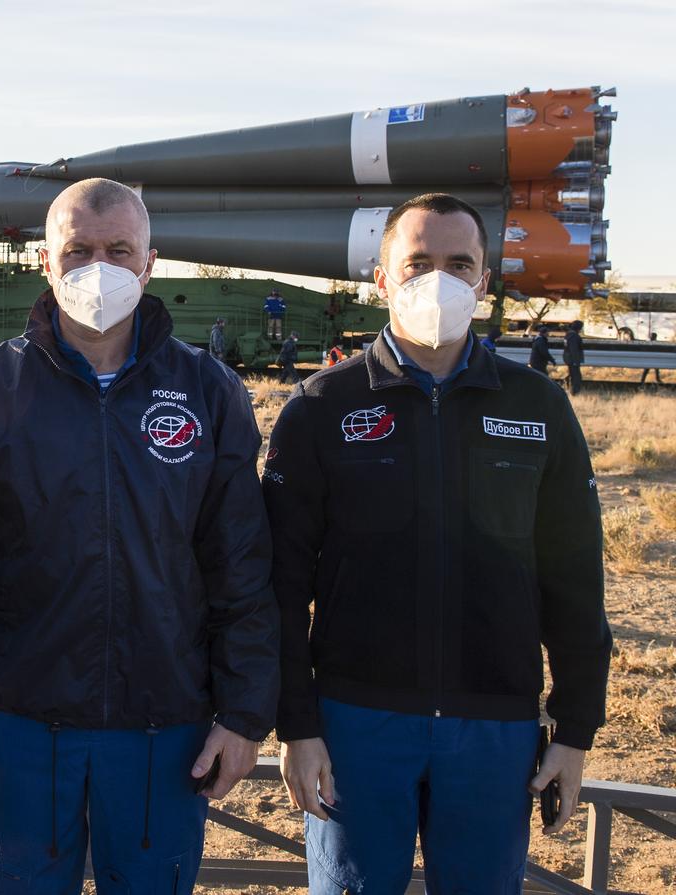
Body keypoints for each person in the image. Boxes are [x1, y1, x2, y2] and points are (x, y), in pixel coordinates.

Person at [0, 178, 280, 894]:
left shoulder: (210, 392)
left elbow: (240, 565)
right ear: (46, 262)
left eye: (118, 249)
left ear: (149, 262)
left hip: (163, 725)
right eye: (78, 250)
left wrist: (243, 711)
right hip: (20, 722)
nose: (98, 267)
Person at [262, 193, 611, 894]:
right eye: (418, 263)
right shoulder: (320, 409)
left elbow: (574, 579)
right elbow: (278, 588)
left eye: (460, 265)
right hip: (356, 726)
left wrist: (574, 728)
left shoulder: (537, 406)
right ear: (382, 277)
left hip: (495, 730)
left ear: (484, 283)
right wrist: (296, 727)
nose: (439, 281)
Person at [564, 319, 585, 395]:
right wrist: (576, 361)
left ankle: (570, 388)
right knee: (576, 376)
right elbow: (574, 349)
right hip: (573, 360)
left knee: (572, 374)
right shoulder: (574, 336)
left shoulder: (569, 334)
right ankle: (574, 391)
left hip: (569, 358)